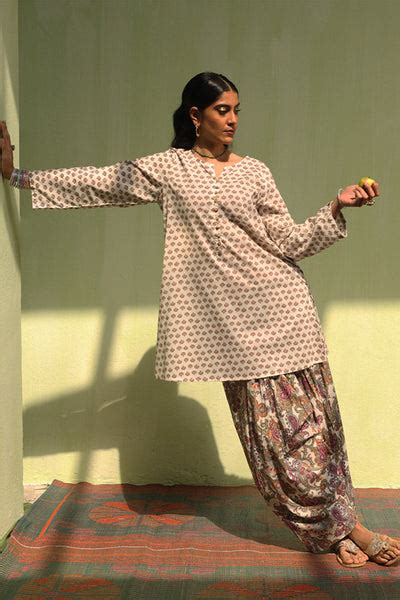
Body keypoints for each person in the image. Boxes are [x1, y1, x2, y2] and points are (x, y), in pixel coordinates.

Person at [1, 71, 398, 568]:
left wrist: (337, 205)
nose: (232, 120)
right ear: (196, 115)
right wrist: (17, 176)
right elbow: (103, 181)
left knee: (319, 432)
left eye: (236, 110)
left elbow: (291, 241)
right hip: (232, 333)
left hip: (286, 312)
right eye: (221, 110)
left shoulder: (255, 172)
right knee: (276, 444)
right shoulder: (170, 169)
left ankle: (345, 525)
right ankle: (334, 529)